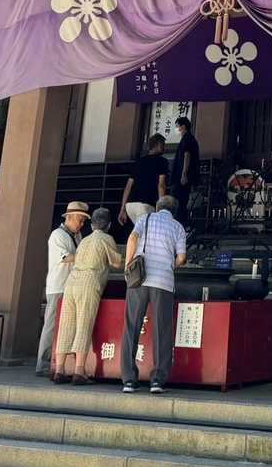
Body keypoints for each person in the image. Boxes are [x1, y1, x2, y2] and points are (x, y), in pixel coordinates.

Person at [120, 194, 187, 394]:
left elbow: (133, 238)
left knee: (132, 326)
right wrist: (169, 265)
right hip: (163, 283)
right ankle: (157, 380)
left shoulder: (145, 219)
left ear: (157, 207)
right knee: (162, 330)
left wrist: (127, 266)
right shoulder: (178, 227)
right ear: (174, 211)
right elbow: (181, 258)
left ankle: (129, 380)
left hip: (139, 279)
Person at [53, 207, 123, 385]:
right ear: (109, 225)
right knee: (84, 324)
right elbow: (117, 263)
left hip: (72, 281)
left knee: (67, 324)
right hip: (89, 282)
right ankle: (79, 371)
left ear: (91, 225)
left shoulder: (84, 240)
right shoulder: (106, 239)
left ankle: (59, 370)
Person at [37, 200, 89, 378]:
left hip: (71, 287)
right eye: (80, 220)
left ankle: (59, 365)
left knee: (66, 327)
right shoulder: (57, 235)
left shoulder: (77, 236)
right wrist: (88, 255)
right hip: (58, 286)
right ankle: (43, 365)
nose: (81, 224)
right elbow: (66, 257)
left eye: (83, 221)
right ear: (70, 217)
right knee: (51, 326)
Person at [119, 133, 168, 228]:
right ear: (158, 144)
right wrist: (162, 208)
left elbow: (128, 187)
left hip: (131, 206)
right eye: (163, 144)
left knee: (138, 232)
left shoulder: (138, 162)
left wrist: (122, 209)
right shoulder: (162, 161)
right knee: (146, 233)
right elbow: (161, 185)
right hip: (146, 205)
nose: (164, 148)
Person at [169, 116, 199, 219]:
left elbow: (187, 155)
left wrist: (184, 174)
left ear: (183, 126)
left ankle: (180, 221)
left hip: (182, 177)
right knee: (181, 201)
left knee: (180, 201)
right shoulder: (188, 139)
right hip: (182, 176)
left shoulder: (188, 139)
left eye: (177, 126)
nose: (176, 129)